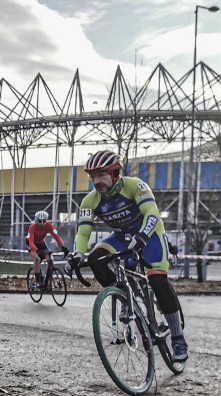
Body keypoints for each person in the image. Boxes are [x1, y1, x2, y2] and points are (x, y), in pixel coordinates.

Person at [66, 150, 188, 362]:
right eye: (92, 176)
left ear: (115, 173)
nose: (96, 181)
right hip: (122, 236)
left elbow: (152, 213)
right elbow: (83, 231)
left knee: (158, 281)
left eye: (101, 174)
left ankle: (178, 337)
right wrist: (77, 254)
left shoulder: (135, 186)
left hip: (149, 234)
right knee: (95, 259)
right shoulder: (90, 201)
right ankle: (125, 294)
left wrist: (142, 236)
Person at [27, 210, 69, 289]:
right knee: (37, 258)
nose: (42, 223)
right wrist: (37, 250)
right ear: (36, 220)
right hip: (31, 244)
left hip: (41, 244)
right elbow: (31, 242)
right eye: (40, 221)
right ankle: (38, 280)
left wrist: (63, 247)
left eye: (44, 221)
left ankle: (48, 280)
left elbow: (57, 236)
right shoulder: (32, 227)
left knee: (50, 260)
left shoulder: (49, 225)